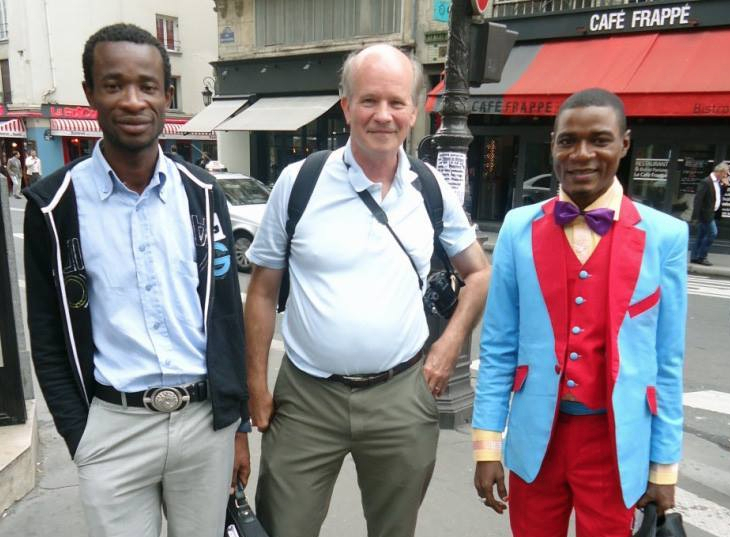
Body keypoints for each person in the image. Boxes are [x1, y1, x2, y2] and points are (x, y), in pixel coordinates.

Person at [245, 44, 490, 537]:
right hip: (307, 398)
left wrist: (447, 346)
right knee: (282, 527)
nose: (383, 115)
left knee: (394, 530)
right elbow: (263, 291)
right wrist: (256, 386)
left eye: (397, 103)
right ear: (346, 106)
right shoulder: (300, 182)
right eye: (369, 101)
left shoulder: (429, 187)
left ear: (415, 111)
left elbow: (480, 274)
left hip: (401, 396)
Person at [23, 23, 250, 537]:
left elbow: (225, 316)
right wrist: (81, 435)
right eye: (113, 84)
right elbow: (47, 335)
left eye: (147, 86)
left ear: (166, 97)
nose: (132, 100)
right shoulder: (54, 206)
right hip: (112, 430)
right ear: (90, 95)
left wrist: (237, 425)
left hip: (202, 423)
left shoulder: (203, 194)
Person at [472, 88, 687, 537]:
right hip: (537, 440)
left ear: (624, 144)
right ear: (553, 144)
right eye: (568, 140)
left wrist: (664, 471)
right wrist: (487, 446)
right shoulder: (518, 228)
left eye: (599, 140)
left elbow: (667, 364)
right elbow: (498, 347)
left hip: (615, 444)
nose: (582, 154)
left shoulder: (666, 236)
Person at [691, 162, 728, 266]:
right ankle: (702, 257)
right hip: (706, 214)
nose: (725, 176)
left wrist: (724, 187)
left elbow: (718, 196)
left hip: (712, 213)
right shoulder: (706, 182)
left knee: (701, 235)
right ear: (720, 172)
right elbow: (698, 200)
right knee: (713, 233)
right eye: (725, 173)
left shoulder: (717, 182)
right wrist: (695, 217)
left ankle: (694, 257)